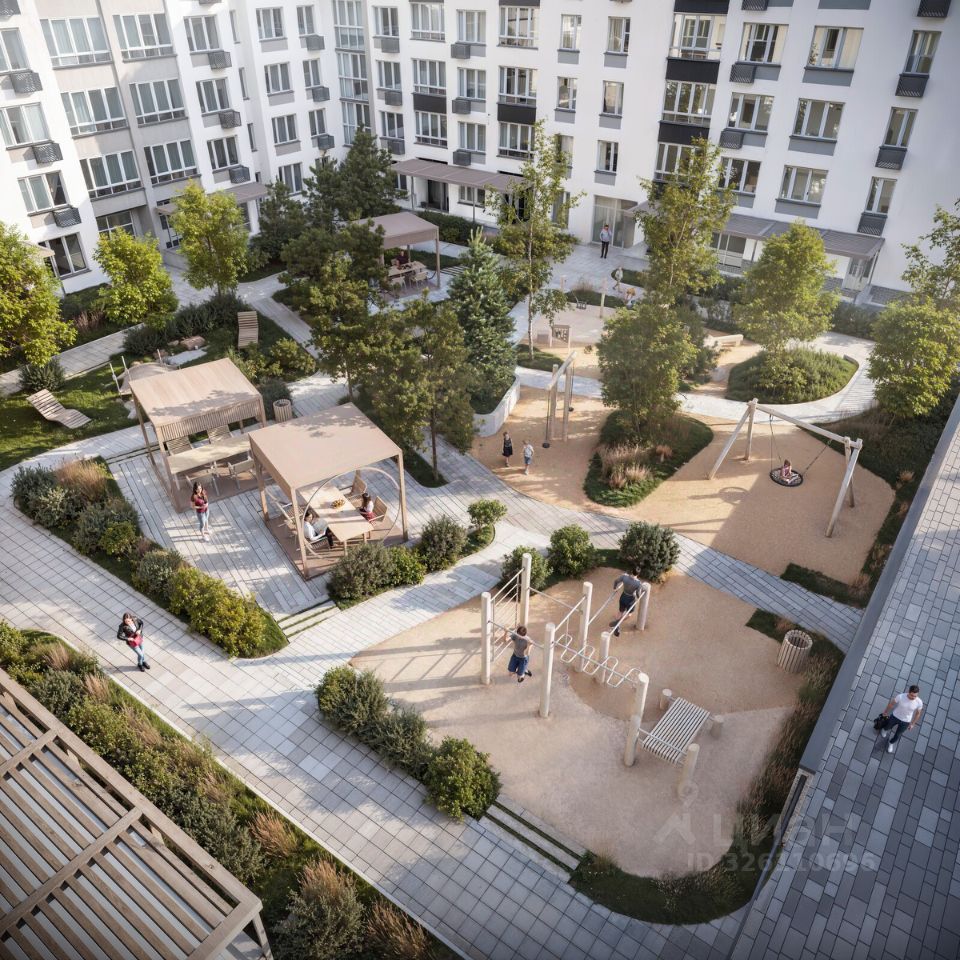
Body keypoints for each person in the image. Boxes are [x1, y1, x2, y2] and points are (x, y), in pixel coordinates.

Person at [879, 685, 924, 753]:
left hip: (906, 721)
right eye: (912, 695)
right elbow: (891, 704)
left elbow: (918, 714)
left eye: (915, 696)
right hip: (895, 716)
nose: (913, 697)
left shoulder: (919, 702)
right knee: (888, 726)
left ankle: (891, 743)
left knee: (898, 735)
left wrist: (913, 724)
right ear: (908, 692)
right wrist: (885, 712)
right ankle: (884, 730)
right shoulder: (901, 696)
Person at [611, 570, 645, 637]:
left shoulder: (624, 577)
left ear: (632, 571)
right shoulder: (638, 583)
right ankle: (617, 623)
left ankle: (616, 624)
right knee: (629, 614)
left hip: (623, 596)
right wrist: (639, 598)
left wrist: (615, 588)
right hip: (630, 600)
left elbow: (616, 581)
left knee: (620, 612)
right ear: (638, 574)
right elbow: (637, 593)